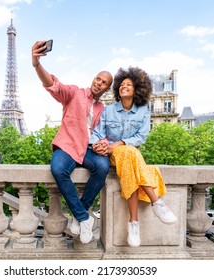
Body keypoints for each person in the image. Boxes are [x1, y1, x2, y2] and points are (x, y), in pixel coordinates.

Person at [31, 40, 113, 244]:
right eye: (97, 78)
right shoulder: (75, 93)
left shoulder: (103, 110)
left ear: (107, 89)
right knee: (58, 168)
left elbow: (103, 134)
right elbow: (52, 84)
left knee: (102, 167)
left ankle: (79, 213)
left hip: (87, 149)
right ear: (93, 79)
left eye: (103, 83)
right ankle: (85, 217)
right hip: (68, 146)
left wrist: (104, 145)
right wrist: (36, 64)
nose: (98, 83)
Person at [89, 66, 177, 247]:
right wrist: (97, 145)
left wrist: (119, 143)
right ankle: (156, 202)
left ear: (137, 89)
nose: (123, 86)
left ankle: (134, 223)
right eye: (121, 84)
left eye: (128, 84)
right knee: (130, 153)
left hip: (128, 153)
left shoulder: (144, 111)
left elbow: (140, 137)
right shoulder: (108, 110)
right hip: (112, 155)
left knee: (130, 154)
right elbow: (98, 133)